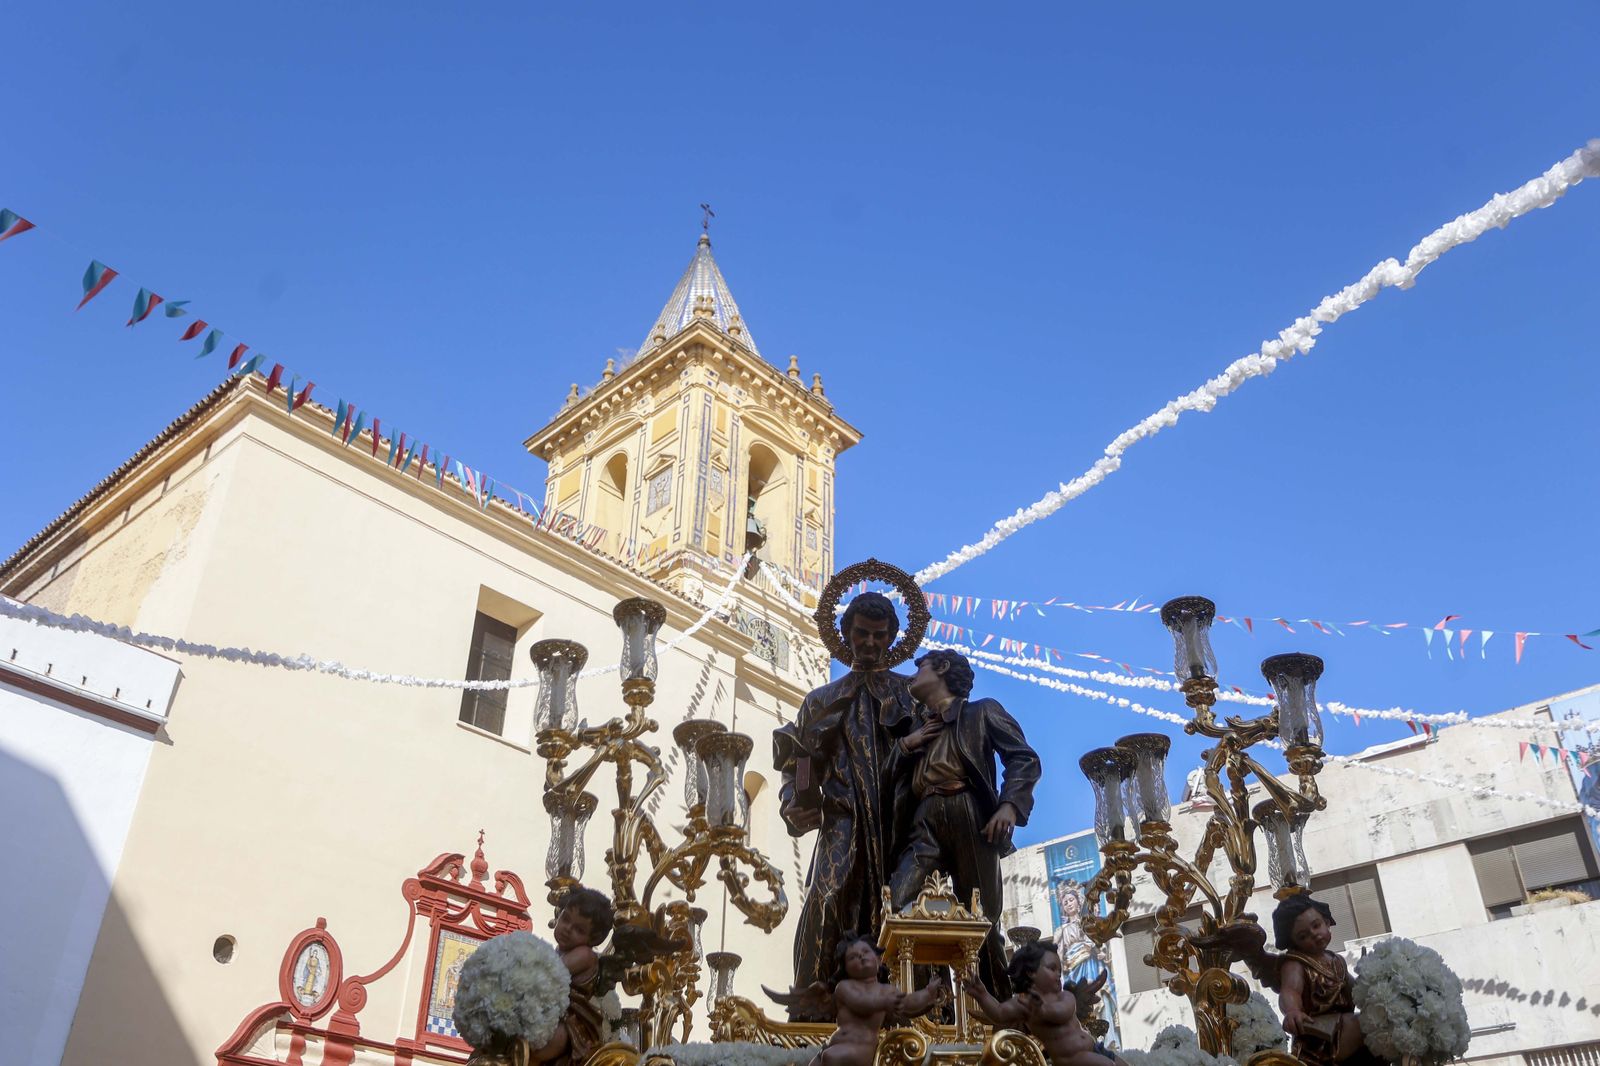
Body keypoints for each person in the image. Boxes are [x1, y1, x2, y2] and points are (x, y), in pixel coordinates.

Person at [773, 592, 917, 1014]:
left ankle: (916, 1006)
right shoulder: (820, 699)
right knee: (827, 895)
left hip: (898, 821)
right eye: (861, 634)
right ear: (846, 635)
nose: (870, 643)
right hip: (843, 818)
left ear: (891, 637)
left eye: (878, 635)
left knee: (905, 906)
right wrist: (792, 803)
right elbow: (795, 766)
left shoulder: (911, 694)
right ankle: (813, 1005)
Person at [888, 648, 1040, 998]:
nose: (913, 672)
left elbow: (1023, 758)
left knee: (981, 917)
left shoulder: (981, 712)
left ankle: (996, 1013)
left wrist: (1009, 806)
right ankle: (925, 1004)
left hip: (969, 814)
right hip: (924, 820)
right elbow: (886, 781)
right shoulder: (914, 730)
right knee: (897, 904)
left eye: (920, 665)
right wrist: (905, 747)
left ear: (941, 668)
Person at [963, 942, 1115, 1066]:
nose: (1058, 974)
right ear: (1031, 972)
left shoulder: (1065, 996)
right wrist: (982, 995)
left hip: (1095, 1048)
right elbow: (999, 1013)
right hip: (1072, 1060)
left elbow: (1062, 1012)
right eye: (1052, 968)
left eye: (1060, 970)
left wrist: (1042, 1010)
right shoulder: (1023, 1004)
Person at [807, 935, 947, 1066]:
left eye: (866, 952)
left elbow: (909, 1002)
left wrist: (928, 993)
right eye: (852, 957)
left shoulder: (886, 991)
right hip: (831, 1045)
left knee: (830, 1057)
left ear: (879, 959)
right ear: (846, 968)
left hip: (861, 1050)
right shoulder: (844, 988)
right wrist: (884, 1002)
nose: (861, 956)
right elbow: (860, 1003)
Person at [1274, 894, 1368, 1066]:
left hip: (1345, 1026)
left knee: (1377, 1024)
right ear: (1293, 941)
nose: (1315, 935)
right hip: (1319, 1038)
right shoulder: (1296, 963)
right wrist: (1293, 1011)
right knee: (1368, 1024)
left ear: (1326, 922)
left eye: (1316, 926)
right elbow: (1290, 990)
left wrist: (1371, 983)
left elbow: (1353, 989)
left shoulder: (1336, 960)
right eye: (1303, 936)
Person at [531, 886, 616, 1065]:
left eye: (579, 929)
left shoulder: (585, 955)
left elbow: (551, 973)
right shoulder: (557, 951)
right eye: (566, 918)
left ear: (595, 939)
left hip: (572, 1023)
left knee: (553, 1039)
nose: (567, 929)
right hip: (548, 1014)